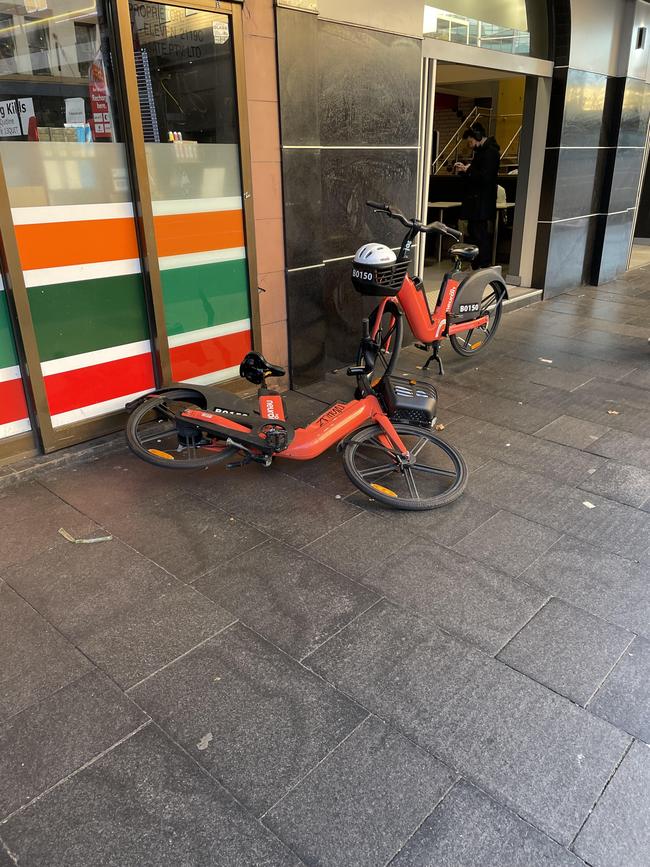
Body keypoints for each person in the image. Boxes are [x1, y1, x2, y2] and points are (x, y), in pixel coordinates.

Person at [454, 125, 501, 269]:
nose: (470, 146)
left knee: (480, 233)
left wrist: (469, 170)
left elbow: (485, 177)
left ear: (478, 137)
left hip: (481, 202)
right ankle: (477, 262)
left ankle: (482, 263)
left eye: (470, 142)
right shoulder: (481, 152)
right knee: (475, 232)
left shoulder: (490, 153)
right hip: (477, 201)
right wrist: (465, 171)